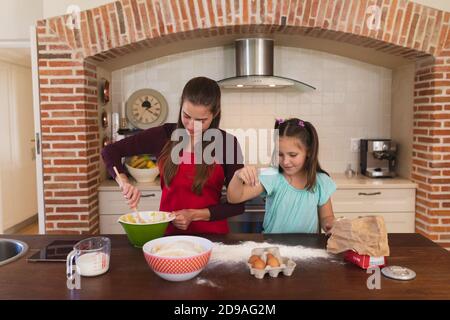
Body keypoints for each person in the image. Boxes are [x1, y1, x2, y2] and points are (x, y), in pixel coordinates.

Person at [101, 77, 244, 235]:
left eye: (201, 120)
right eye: (187, 116)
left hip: (213, 239)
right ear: (181, 105)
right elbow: (110, 151)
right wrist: (124, 183)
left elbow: (237, 205)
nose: (191, 126)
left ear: (215, 114)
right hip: (169, 236)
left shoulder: (227, 143)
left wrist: (194, 215)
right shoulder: (163, 135)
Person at [227, 118, 336, 234]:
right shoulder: (272, 176)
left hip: (307, 249)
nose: (285, 161)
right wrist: (237, 175)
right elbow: (234, 198)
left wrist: (331, 225)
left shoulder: (320, 181)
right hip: (273, 247)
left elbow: (326, 217)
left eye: (293, 155)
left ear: (309, 151)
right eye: (280, 154)